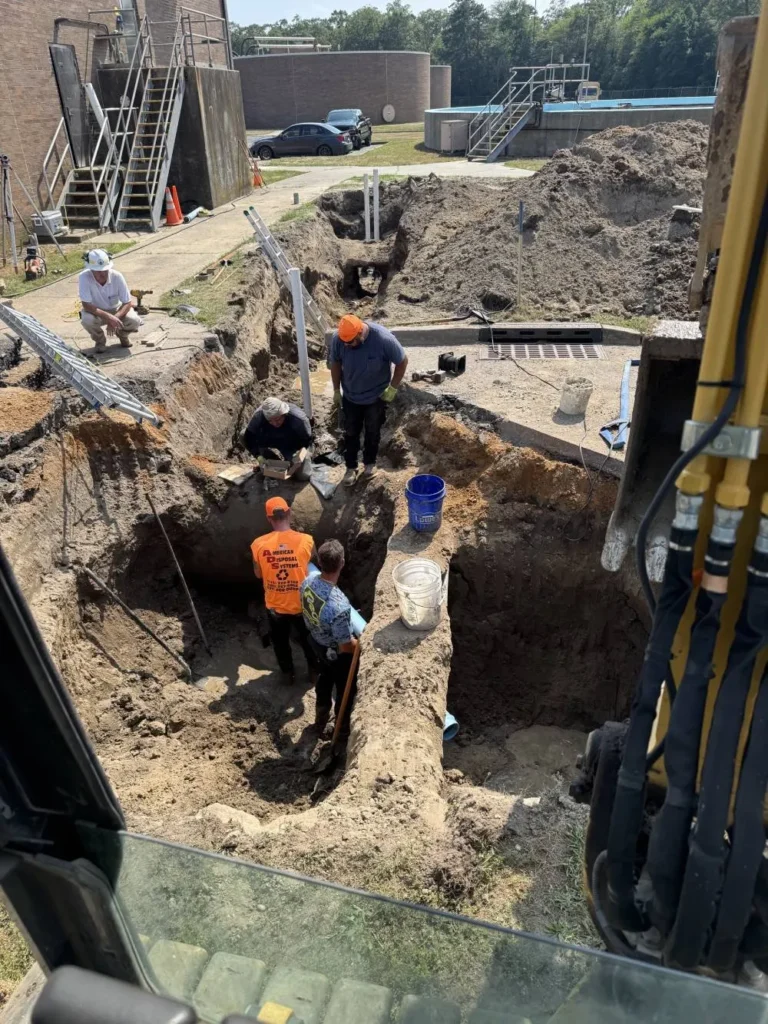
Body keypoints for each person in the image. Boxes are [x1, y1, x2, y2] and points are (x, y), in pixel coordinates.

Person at [329, 314, 408, 487]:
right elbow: (335, 363)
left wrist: (393, 387)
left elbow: (402, 362)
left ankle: (369, 464)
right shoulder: (339, 339)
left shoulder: (383, 339)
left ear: (360, 334)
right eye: (344, 343)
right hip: (351, 396)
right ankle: (351, 467)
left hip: (376, 398)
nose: (347, 346)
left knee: (373, 432)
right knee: (351, 433)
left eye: (350, 343)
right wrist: (336, 389)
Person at [250, 497, 318, 684]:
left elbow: (258, 574)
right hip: (302, 606)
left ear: (269, 518)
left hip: (275, 608)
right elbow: (314, 561)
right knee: (308, 641)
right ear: (289, 513)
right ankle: (313, 673)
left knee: (280, 644)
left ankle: (287, 675)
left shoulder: (258, 545)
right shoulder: (307, 540)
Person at [301, 539, 358, 734]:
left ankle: (321, 716)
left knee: (324, 679)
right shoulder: (339, 606)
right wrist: (360, 642)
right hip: (334, 652)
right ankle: (341, 727)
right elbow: (345, 647)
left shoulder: (307, 581)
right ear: (342, 563)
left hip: (315, 642)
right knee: (345, 689)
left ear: (319, 560)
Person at [78, 249, 142, 353]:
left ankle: (122, 335)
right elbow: (86, 305)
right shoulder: (84, 277)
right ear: (90, 270)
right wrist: (108, 317)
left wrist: (115, 318)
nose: (102, 274)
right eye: (98, 271)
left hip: (116, 309)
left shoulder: (117, 276)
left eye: (104, 270)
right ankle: (100, 341)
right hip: (96, 311)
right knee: (87, 320)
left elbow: (127, 302)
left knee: (134, 321)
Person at [243, 397, 313, 479]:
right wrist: (258, 455)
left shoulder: (298, 419)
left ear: (284, 414)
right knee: (242, 435)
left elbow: (308, 441)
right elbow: (248, 437)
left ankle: (289, 460)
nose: (275, 423)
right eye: (270, 421)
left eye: (278, 419)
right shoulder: (259, 416)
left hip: (291, 444)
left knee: (303, 476)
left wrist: (300, 454)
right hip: (270, 439)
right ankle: (270, 458)